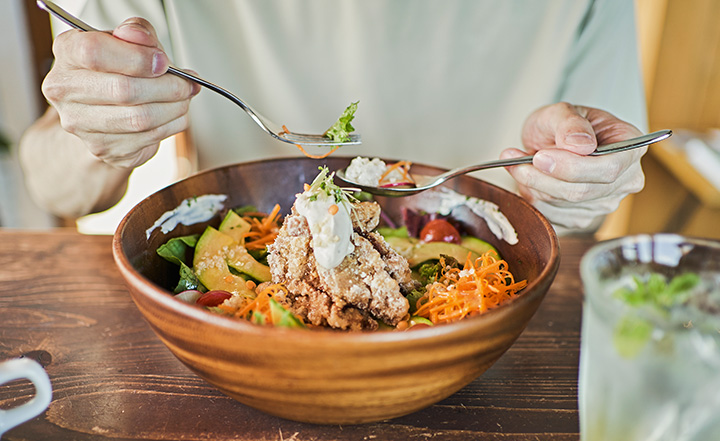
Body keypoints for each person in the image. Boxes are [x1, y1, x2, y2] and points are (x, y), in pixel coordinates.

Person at [19, 0, 648, 233]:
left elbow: (603, 186)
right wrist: (96, 132)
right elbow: (53, 185)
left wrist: (579, 178)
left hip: (489, 342)